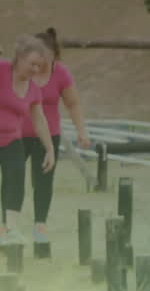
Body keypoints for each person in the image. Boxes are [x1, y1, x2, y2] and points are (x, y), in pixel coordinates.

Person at [23, 28, 92, 244]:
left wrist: (82, 131)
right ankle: (7, 225)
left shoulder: (61, 73)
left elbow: (73, 104)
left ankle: (40, 226)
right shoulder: (23, 69)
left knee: (43, 182)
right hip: (18, 134)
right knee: (12, 178)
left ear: (53, 54)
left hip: (48, 137)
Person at [0, 36, 56, 246]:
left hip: (12, 140)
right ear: (20, 58)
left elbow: (39, 120)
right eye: (32, 64)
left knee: (15, 181)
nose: (35, 69)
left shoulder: (33, 89)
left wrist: (50, 149)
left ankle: (11, 230)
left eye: (39, 66)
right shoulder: (2, 70)